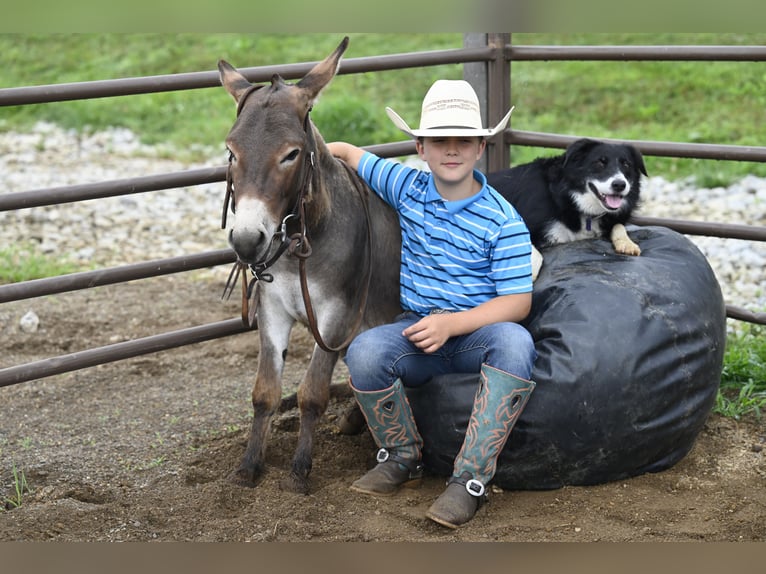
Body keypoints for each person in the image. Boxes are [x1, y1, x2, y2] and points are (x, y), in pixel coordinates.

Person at [326, 79, 537, 529]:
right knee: (364, 351)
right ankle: (402, 456)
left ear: (481, 148)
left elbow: (518, 302)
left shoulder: (504, 221)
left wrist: (453, 325)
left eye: (464, 140)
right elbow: (345, 151)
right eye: (440, 140)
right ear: (420, 147)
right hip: (418, 332)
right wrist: (306, 153)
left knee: (516, 343)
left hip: (474, 336)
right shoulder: (407, 187)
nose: (452, 149)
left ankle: (470, 481)